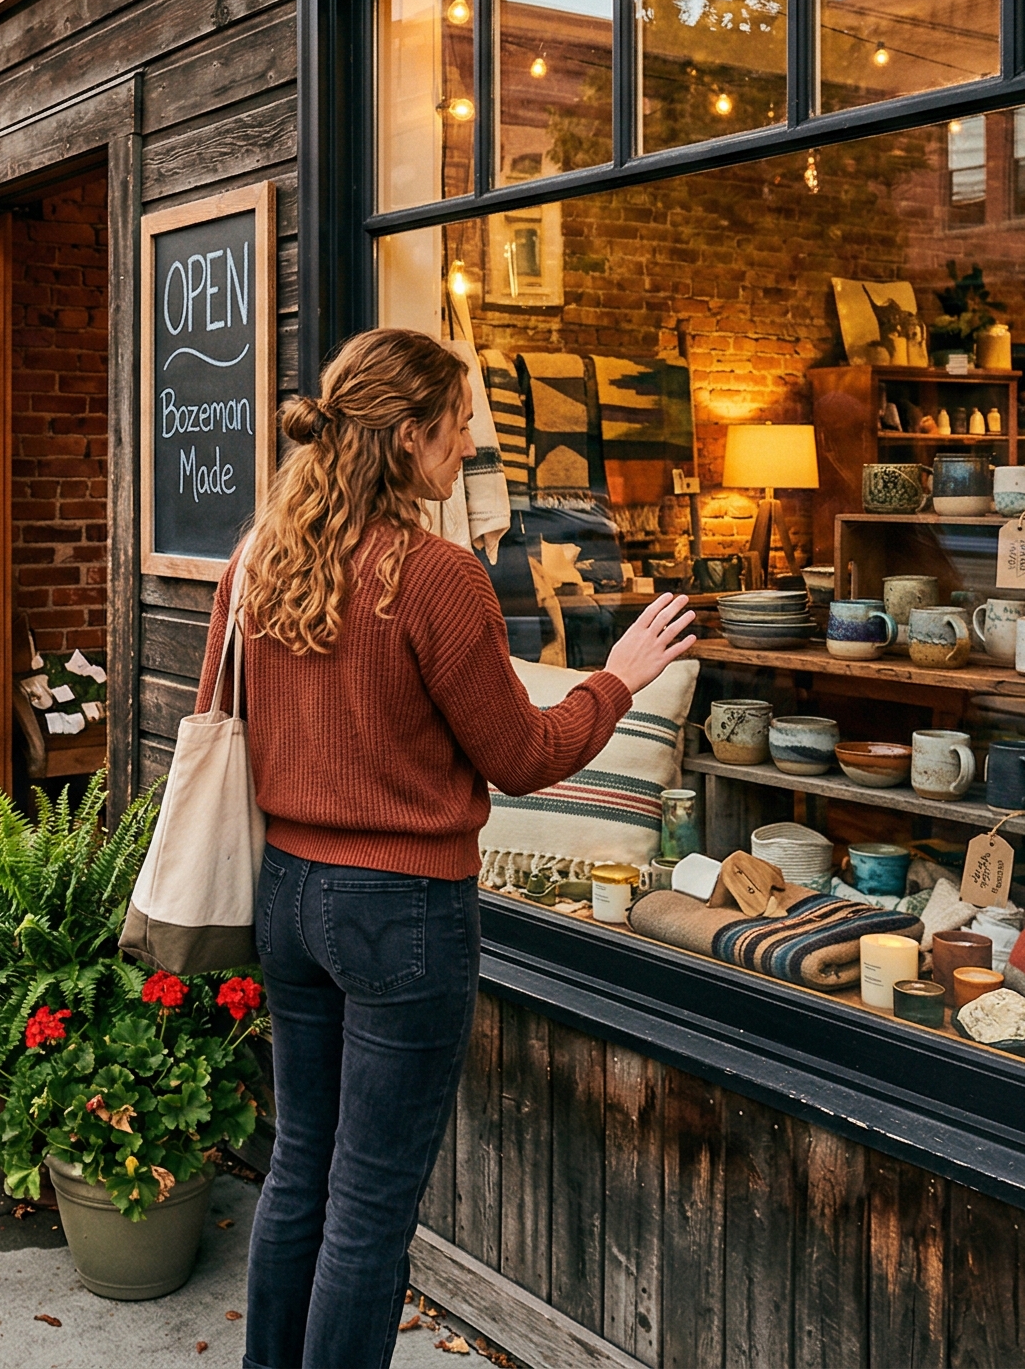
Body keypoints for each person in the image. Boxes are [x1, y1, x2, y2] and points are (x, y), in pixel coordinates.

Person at [197, 329, 696, 1369]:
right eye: (459, 424)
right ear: (410, 436)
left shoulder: (263, 554)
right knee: (372, 1201)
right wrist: (620, 677)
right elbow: (520, 753)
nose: (470, 445)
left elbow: (229, 713)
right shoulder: (436, 575)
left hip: (287, 895)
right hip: (401, 912)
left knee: (298, 1168)